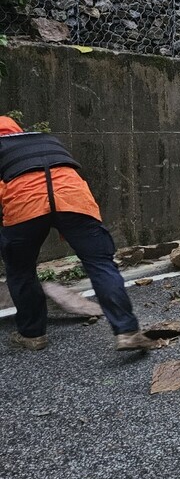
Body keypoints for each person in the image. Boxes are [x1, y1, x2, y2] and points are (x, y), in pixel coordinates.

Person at [0, 116, 154, 351]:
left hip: (25, 203)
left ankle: (33, 335)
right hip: (73, 198)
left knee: (20, 271)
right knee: (100, 262)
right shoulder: (44, 139)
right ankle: (128, 331)